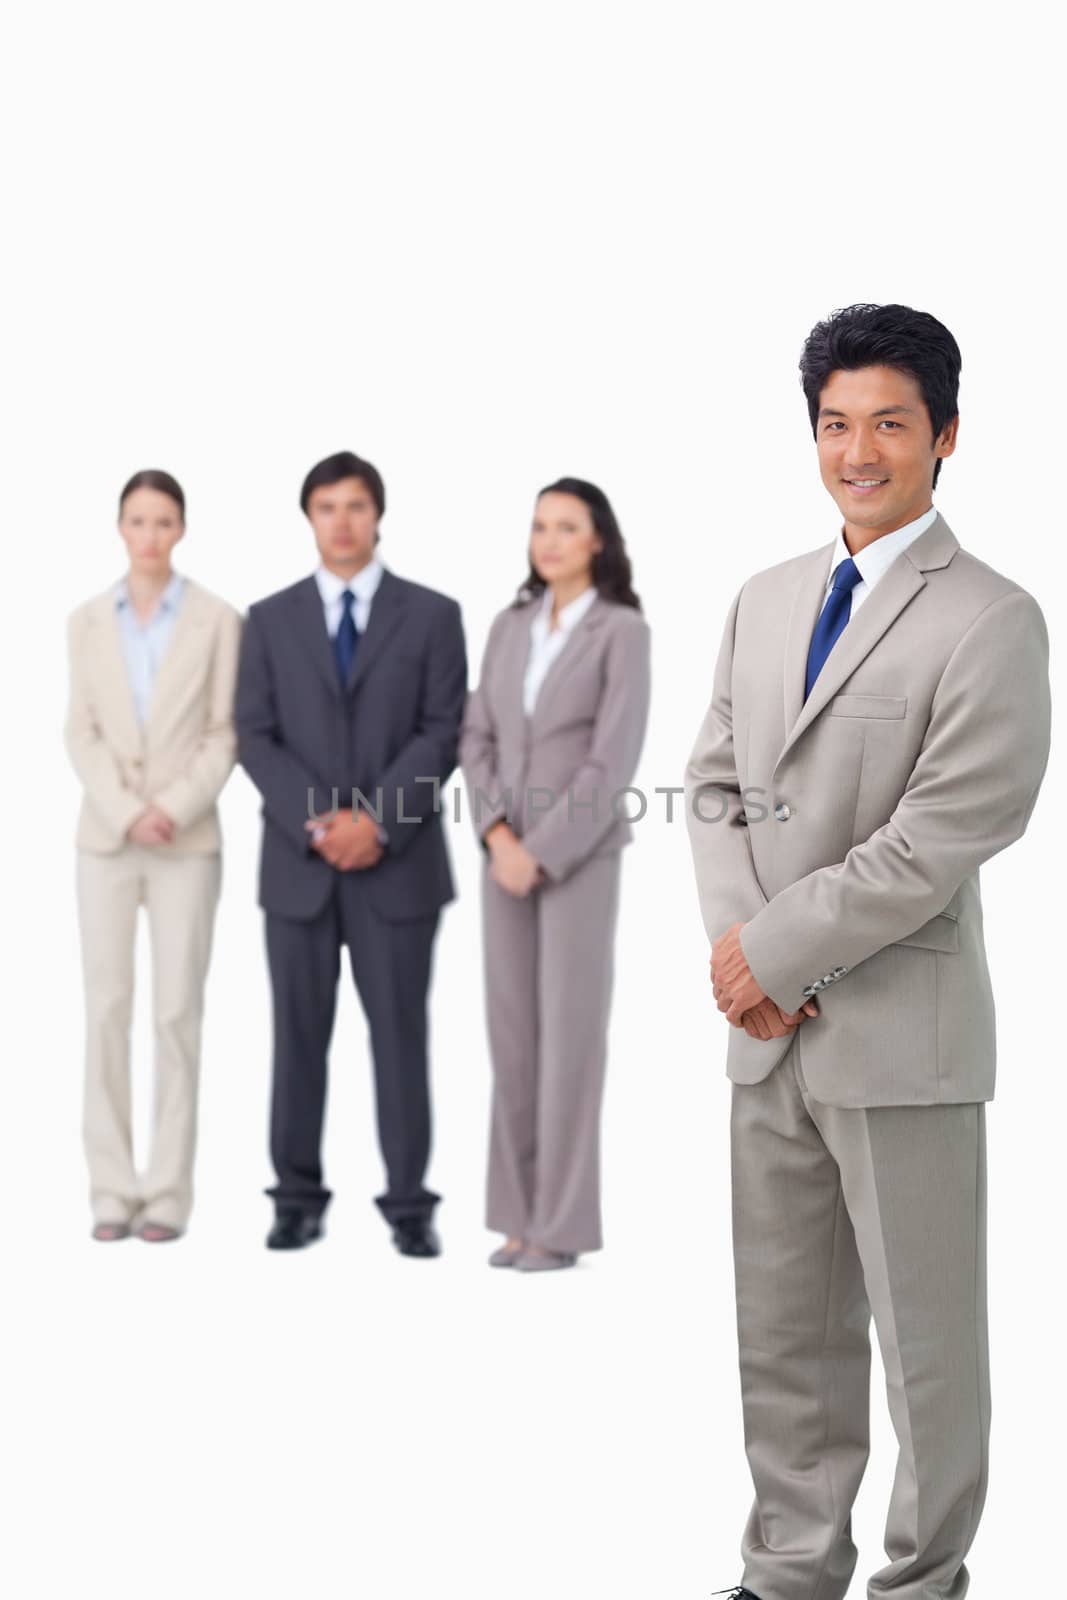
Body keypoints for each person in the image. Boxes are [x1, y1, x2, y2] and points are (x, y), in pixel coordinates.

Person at [684, 304, 1051, 1600]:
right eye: (834, 425)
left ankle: (921, 1580)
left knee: (923, 1346)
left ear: (943, 437)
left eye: (887, 423)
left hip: (899, 1039)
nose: (857, 450)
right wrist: (742, 957)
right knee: (783, 1333)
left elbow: (946, 830)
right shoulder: (765, 598)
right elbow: (713, 782)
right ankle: (785, 1570)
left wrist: (771, 952)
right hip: (765, 1035)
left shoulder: (992, 620)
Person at [236, 451, 466, 1256]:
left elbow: (443, 731)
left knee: (400, 1036)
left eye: (356, 505)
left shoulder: (432, 615)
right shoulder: (266, 620)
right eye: (327, 506)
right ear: (309, 517)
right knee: (296, 1037)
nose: (342, 520)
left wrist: (375, 823)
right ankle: (295, 1197)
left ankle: (410, 1204)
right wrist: (319, 820)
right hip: (296, 869)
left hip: (397, 868)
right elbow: (254, 736)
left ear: (378, 515)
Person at [460, 477, 651, 1272]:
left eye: (566, 527)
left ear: (596, 540)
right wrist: (499, 835)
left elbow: (613, 757)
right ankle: (515, 1216)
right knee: (512, 1037)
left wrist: (540, 848)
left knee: (569, 1038)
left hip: (575, 857)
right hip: (502, 852)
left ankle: (561, 1225)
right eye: (540, 526)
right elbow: (476, 737)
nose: (548, 540)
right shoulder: (508, 627)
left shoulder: (621, 632)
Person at [65, 469, 242, 1243]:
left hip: (186, 838)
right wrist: (125, 809)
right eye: (137, 521)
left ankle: (166, 1193)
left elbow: (223, 731)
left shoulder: (216, 620)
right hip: (105, 840)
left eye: (163, 521)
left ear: (181, 529)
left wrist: (168, 809)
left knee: (176, 1014)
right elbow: (81, 730)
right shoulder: (85, 621)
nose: (149, 535)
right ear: (119, 528)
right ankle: (111, 1188)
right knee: (106, 1009)